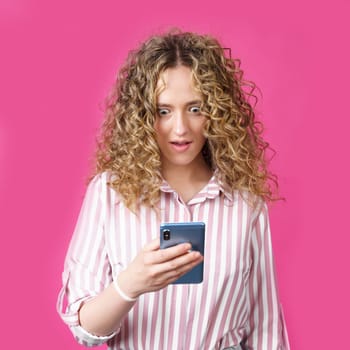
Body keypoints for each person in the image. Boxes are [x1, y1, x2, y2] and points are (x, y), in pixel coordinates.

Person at [57, 30, 290, 350]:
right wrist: (130, 285)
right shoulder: (109, 194)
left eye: (195, 108)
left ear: (217, 111)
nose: (180, 128)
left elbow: (266, 329)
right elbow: (84, 330)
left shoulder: (246, 204)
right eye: (163, 110)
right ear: (142, 116)